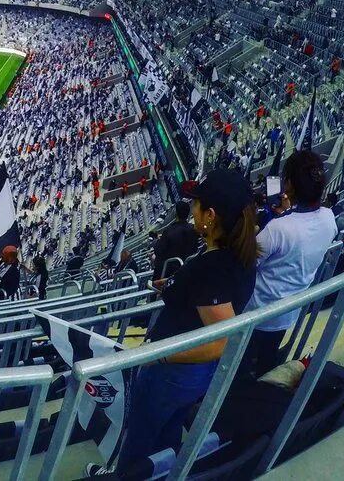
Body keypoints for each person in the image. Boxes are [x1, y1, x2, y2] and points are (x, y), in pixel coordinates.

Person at [89, 169, 257, 476]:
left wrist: (160, 355)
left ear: (210, 215)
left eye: (196, 205)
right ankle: (159, 473)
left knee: (139, 437)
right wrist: (176, 283)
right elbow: (205, 298)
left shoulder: (212, 269)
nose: (191, 209)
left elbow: (221, 340)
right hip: (191, 375)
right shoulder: (237, 258)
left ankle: (124, 475)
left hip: (173, 372)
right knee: (166, 434)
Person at [243, 151, 338, 376]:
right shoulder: (329, 217)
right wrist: (288, 214)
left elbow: (245, 262)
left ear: (290, 186)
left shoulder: (278, 230)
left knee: (240, 367)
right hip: (287, 313)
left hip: (255, 313)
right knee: (267, 361)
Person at [151, 201, 201, 286]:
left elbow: (158, 250)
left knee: (154, 258)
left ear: (176, 213)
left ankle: (152, 295)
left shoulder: (169, 231)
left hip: (168, 270)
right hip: (186, 267)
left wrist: (156, 241)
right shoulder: (194, 230)